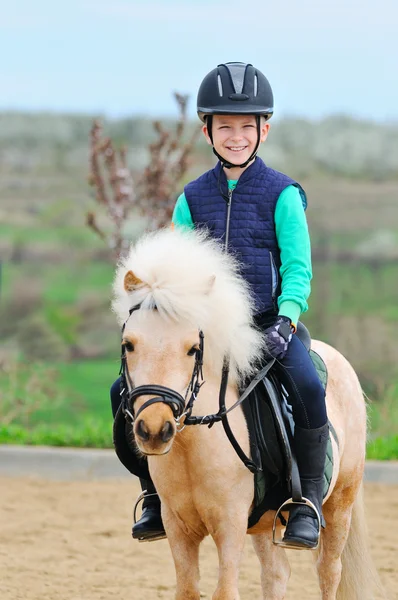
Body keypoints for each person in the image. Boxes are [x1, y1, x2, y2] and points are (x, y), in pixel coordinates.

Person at [110, 62, 328, 549]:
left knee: (310, 387)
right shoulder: (191, 198)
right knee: (121, 391)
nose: (235, 136)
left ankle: (305, 503)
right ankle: (153, 495)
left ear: (263, 131)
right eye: (224, 126)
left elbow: (298, 269)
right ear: (207, 130)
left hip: (270, 327)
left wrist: (287, 320)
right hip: (205, 332)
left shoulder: (284, 195)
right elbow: (174, 268)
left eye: (246, 127)